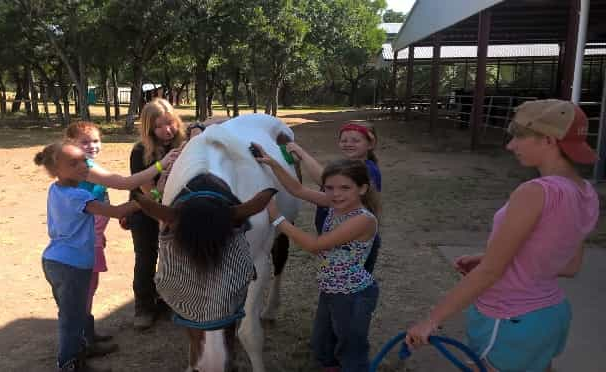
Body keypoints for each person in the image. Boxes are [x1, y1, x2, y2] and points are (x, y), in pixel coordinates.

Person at [405, 99, 600, 372]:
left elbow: (490, 273)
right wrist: (489, 257)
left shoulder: (534, 192)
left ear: (548, 140)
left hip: (510, 318)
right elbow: (569, 265)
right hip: (550, 315)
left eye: (519, 136)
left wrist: (431, 321)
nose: (510, 145)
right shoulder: (585, 193)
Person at [254, 144, 381, 372]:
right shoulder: (334, 203)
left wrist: (277, 219)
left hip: (353, 295)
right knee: (322, 343)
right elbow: (298, 190)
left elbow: (314, 246)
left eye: (345, 188)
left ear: (362, 189)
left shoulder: (362, 219)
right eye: (329, 188)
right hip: (331, 289)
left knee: (351, 348)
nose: (335, 194)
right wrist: (273, 163)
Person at [34, 142, 141, 372]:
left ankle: (82, 350)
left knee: (74, 313)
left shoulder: (55, 189)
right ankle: (69, 365)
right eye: (73, 163)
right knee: (71, 319)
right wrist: (149, 197)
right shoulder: (79, 196)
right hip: (71, 266)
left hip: (56, 261)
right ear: (56, 170)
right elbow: (118, 212)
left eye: (84, 160)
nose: (83, 166)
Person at [286, 121, 382, 273]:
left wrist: (301, 153)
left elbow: (322, 179)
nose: (348, 144)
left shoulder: (368, 170)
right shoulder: (346, 165)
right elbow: (306, 190)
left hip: (351, 240)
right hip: (335, 235)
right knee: (334, 275)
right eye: (344, 140)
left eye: (355, 140)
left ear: (371, 144)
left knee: (351, 283)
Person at [127, 98, 186, 330]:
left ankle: (169, 301)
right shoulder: (140, 151)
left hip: (174, 211)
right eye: (159, 126)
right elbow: (150, 195)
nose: (167, 130)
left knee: (173, 258)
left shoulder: (185, 143)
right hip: (145, 211)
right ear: (149, 128)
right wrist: (163, 170)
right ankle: (143, 306)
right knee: (146, 257)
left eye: (170, 123)